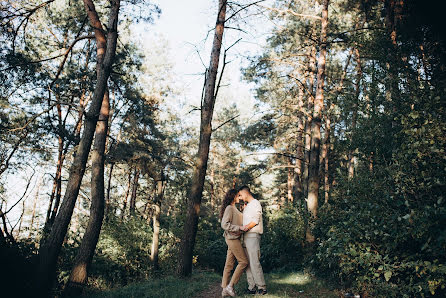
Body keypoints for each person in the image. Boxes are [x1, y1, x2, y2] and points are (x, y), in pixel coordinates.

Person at [238, 185, 267, 295]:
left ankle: (262, 287)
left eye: (240, 195)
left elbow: (255, 221)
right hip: (245, 237)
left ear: (245, 193)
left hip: (253, 236)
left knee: (254, 261)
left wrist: (244, 228)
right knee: (247, 264)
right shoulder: (248, 206)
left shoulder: (255, 203)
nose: (240, 198)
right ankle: (252, 287)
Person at [220, 189, 249, 297]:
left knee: (229, 264)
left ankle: (224, 290)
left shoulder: (234, 208)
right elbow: (224, 224)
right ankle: (230, 286)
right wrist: (239, 228)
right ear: (233, 196)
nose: (240, 197)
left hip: (234, 238)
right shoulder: (229, 208)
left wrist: (244, 211)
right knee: (243, 262)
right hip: (232, 238)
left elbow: (239, 220)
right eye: (238, 196)